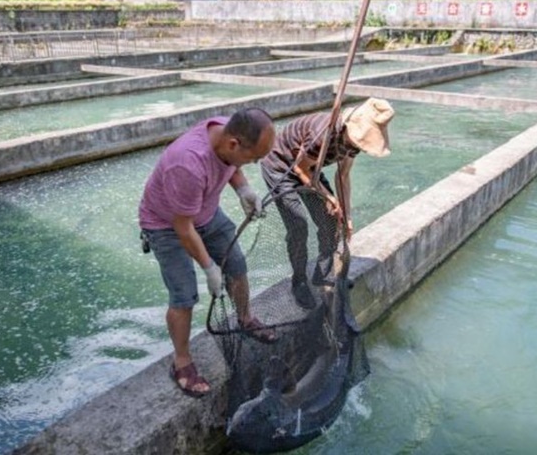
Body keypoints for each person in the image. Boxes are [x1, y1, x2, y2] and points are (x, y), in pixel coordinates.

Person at [139, 108, 277, 398]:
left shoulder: (228, 131)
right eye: (253, 158)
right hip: (166, 224)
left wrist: (244, 189)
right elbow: (183, 228)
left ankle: (245, 319)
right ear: (234, 144)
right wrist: (209, 268)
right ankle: (181, 361)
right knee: (184, 294)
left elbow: (231, 165)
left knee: (236, 264)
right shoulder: (187, 164)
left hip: (205, 211)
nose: (253, 163)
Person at [260, 97, 395, 310]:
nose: (357, 145)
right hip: (282, 167)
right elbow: (300, 169)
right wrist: (329, 198)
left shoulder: (352, 143)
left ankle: (322, 274)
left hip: (311, 168)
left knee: (332, 221)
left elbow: (343, 176)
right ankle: (299, 281)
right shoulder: (322, 135)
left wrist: (347, 215)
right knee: (298, 226)